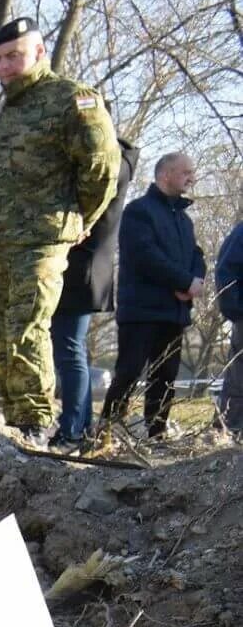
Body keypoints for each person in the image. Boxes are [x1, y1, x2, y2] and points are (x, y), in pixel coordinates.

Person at [0, 18, 120, 442]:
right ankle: (15, 422)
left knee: (27, 329)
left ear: (39, 52)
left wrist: (79, 220)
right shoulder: (5, 110)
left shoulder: (71, 99)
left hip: (41, 239)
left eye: (13, 56)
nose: (4, 66)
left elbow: (101, 168)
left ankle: (36, 423)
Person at [101, 152, 205, 440]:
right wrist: (183, 280)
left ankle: (156, 435)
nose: (191, 178)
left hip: (174, 313)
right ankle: (104, 433)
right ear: (165, 174)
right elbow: (146, 256)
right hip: (142, 312)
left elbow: (196, 256)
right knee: (129, 372)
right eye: (185, 172)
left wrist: (194, 281)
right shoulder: (139, 212)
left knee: (165, 379)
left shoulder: (184, 220)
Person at [51, 137, 138, 443]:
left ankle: (72, 430)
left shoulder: (106, 164)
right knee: (73, 350)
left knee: (69, 350)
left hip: (79, 270)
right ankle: (82, 427)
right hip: (90, 269)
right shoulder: (120, 162)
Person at [218, 218, 243, 432]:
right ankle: (231, 428)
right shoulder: (241, 235)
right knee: (239, 379)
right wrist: (236, 313)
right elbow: (226, 274)